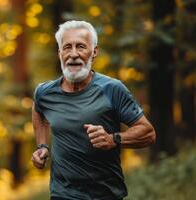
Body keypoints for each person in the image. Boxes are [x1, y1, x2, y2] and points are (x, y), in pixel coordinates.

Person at [31, 20, 156, 200]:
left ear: (94, 52)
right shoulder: (45, 92)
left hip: (106, 194)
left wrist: (113, 139)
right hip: (62, 194)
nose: (73, 54)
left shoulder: (112, 89)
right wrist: (42, 145)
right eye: (67, 47)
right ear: (59, 53)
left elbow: (148, 133)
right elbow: (38, 111)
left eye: (81, 46)